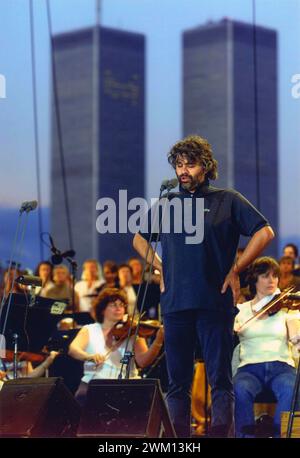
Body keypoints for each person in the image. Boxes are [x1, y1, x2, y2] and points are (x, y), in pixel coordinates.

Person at [133, 134, 275, 437]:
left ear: (206, 166)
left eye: (191, 164)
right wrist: (160, 267)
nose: (184, 171)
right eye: (179, 165)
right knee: (176, 383)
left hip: (215, 302)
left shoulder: (228, 199)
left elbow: (265, 233)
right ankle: (179, 441)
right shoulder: (167, 202)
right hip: (175, 305)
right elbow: (138, 238)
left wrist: (236, 268)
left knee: (220, 380)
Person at [233, 257, 300, 437]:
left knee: (291, 387)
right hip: (249, 368)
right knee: (240, 388)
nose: (271, 280)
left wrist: (296, 334)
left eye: (274, 276)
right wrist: (232, 329)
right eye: (265, 276)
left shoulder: (287, 308)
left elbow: (295, 337)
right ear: (255, 279)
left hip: (282, 367)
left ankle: (283, 434)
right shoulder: (241, 311)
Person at [69, 288, 164, 406]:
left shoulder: (132, 331)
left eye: (121, 305)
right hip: (94, 384)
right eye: (113, 305)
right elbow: (73, 349)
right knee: (81, 398)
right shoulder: (89, 330)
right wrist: (89, 356)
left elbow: (143, 361)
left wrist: (158, 341)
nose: (119, 308)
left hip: (126, 385)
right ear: (102, 309)